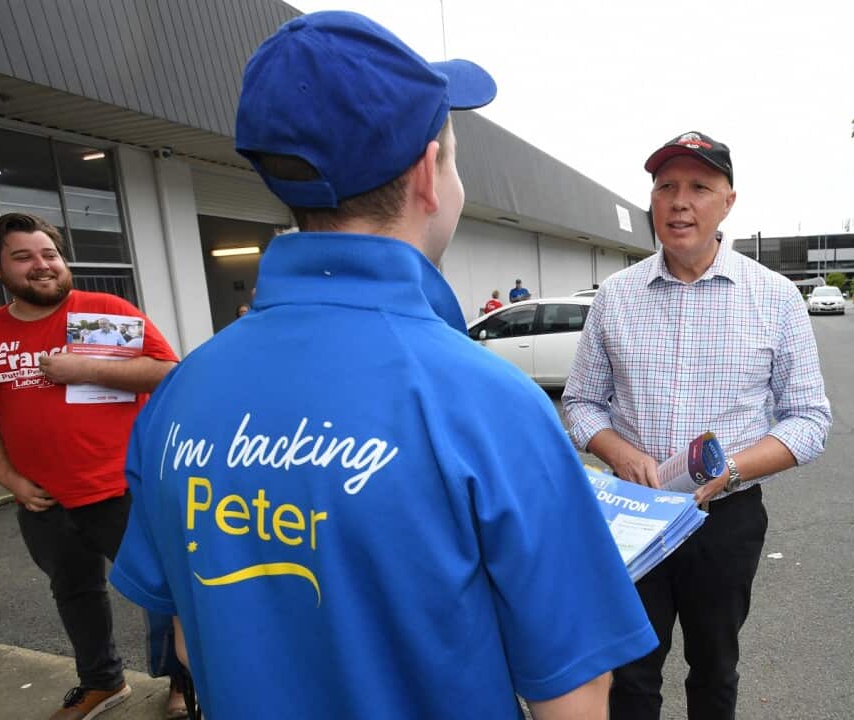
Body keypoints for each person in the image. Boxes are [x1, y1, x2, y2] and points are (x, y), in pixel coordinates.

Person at [108, 11, 656, 719]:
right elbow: (572, 699)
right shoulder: (489, 403)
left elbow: (185, 642)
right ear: (430, 175)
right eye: (455, 157)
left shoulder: (184, 389)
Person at [564, 130, 832, 719]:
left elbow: (809, 420)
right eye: (665, 187)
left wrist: (732, 470)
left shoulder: (775, 297)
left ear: (728, 201)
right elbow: (580, 403)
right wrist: (618, 450)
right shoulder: (615, 297)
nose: (679, 202)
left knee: (714, 668)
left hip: (725, 518)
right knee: (631, 673)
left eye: (698, 187)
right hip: (636, 514)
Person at [0, 212, 179, 719]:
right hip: (43, 499)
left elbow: (169, 374)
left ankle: (182, 683)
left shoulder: (102, 312)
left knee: (165, 590)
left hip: (123, 487)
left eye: (49, 254)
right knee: (75, 594)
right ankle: (102, 682)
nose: (42, 265)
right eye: (23, 257)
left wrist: (88, 367)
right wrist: (9, 480)